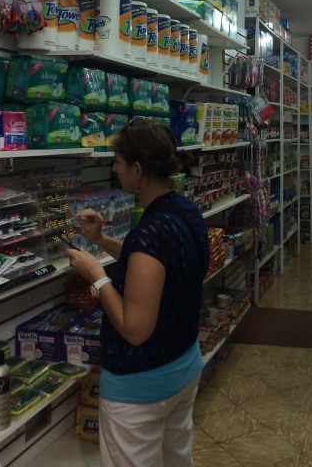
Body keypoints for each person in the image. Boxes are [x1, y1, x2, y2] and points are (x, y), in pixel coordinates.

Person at [65, 118, 209, 467]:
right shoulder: (183, 209)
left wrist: (97, 275)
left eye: (117, 161)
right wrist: (101, 240)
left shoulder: (151, 231)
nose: (113, 168)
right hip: (183, 366)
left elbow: (134, 328)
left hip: (141, 387)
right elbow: (154, 264)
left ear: (139, 169)